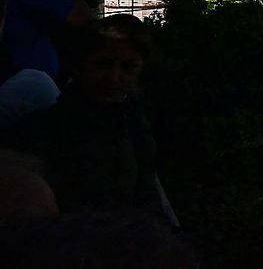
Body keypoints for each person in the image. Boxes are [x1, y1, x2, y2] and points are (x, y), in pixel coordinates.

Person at [5, 15, 164, 219]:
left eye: (127, 67)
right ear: (81, 65)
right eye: (102, 64)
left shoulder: (134, 121)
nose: (113, 78)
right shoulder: (47, 131)